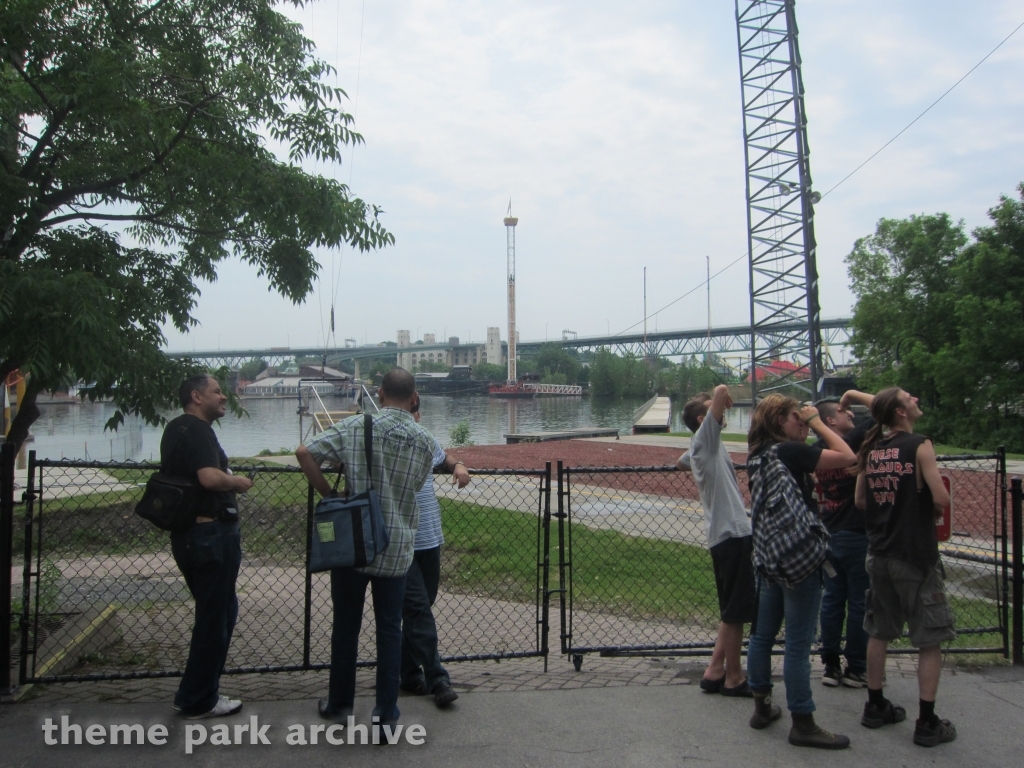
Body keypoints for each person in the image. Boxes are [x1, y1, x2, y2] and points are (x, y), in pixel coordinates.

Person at [295, 368, 435, 727]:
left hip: (355, 543)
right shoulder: (424, 440)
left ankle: (340, 705)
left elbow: (304, 451)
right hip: (398, 546)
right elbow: (416, 485)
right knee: (390, 629)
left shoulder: (358, 426)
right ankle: (385, 714)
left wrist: (330, 495)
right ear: (414, 397)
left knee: (346, 626)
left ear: (380, 393)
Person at [744, 395, 856, 750]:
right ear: (780, 420)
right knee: (796, 643)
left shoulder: (756, 455)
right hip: (800, 560)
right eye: (797, 417)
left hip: (770, 556)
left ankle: (762, 707)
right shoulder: (788, 452)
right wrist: (821, 422)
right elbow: (848, 456)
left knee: (762, 636)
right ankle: (803, 722)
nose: (804, 423)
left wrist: (808, 423)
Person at [853, 387, 956, 747]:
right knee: (930, 638)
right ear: (900, 412)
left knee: (879, 630)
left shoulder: (871, 450)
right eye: (910, 398)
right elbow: (941, 496)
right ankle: (927, 721)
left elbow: (861, 499)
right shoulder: (919, 444)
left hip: (879, 552)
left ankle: (875, 704)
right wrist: (933, 505)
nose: (916, 398)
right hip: (915, 554)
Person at [164, 374, 253, 718]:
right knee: (215, 619)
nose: (224, 397)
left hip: (189, 537)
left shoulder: (175, 429)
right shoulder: (199, 430)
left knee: (218, 612)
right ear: (196, 396)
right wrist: (239, 482)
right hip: (211, 537)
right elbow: (210, 478)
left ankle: (193, 692)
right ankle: (199, 700)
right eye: (217, 391)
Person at [676, 384, 755, 697]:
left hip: (726, 534)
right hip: (732, 533)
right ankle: (734, 678)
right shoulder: (706, 440)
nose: (722, 412)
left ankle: (714, 671)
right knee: (736, 614)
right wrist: (718, 399)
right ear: (701, 419)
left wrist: (695, 466)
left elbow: (682, 462)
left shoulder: (704, 445)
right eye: (713, 411)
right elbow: (722, 390)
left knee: (730, 610)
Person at [400, 403, 471, 707]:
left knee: (422, 606)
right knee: (418, 610)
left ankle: (405, 671)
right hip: (401, 541)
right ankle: (437, 678)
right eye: (412, 411)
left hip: (430, 538)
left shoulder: (425, 439)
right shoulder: (386, 439)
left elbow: (445, 458)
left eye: (418, 412)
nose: (416, 417)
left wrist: (458, 466)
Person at [813, 391, 875, 688]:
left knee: (832, 600)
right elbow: (886, 408)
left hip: (828, 534)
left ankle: (830, 665)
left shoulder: (817, 450)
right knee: (860, 601)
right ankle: (857, 666)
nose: (850, 413)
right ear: (829, 420)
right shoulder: (852, 443)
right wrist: (853, 395)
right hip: (856, 534)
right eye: (842, 411)